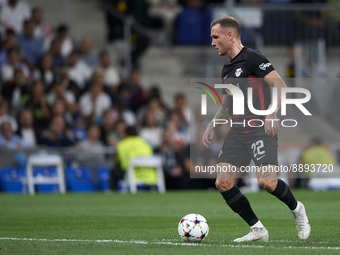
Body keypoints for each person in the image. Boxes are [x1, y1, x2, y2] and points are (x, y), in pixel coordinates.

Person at [202, 17, 310, 242]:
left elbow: (281, 86)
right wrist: (213, 124)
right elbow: (227, 104)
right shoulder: (226, 69)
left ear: (230, 35)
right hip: (238, 133)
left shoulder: (253, 58)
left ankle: (297, 208)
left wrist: (271, 112)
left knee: (267, 183)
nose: (212, 42)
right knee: (222, 182)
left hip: (261, 129)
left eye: (215, 37)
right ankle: (257, 229)